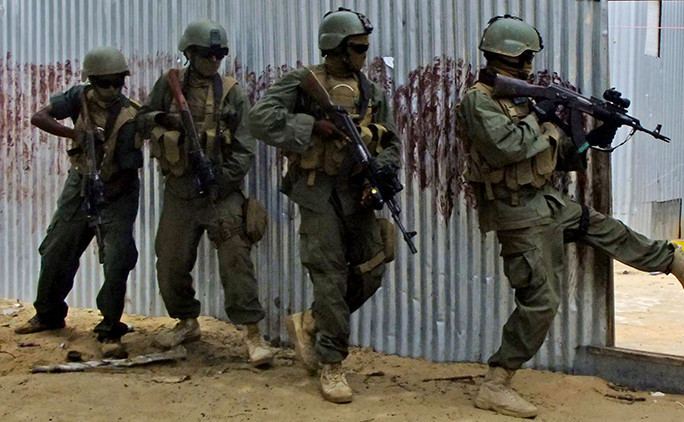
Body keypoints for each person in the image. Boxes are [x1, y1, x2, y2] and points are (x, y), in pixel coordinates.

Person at [457, 15, 684, 419]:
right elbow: (507, 148)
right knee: (541, 301)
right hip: (516, 212)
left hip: (543, 201)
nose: (530, 64)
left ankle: (679, 265)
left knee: (606, 228)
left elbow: (564, 155)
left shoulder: (520, 101)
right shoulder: (478, 101)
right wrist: (543, 115)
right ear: (508, 56)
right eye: (526, 57)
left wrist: (600, 131)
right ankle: (496, 384)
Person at [248, 8, 400, 403]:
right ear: (337, 47)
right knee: (330, 277)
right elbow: (259, 120)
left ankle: (312, 320)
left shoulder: (371, 92)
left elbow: (392, 141)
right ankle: (331, 363)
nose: (364, 54)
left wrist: (381, 174)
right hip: (318, 194)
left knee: (372, 269)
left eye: (365, 47)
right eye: (358, 47)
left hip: (358, 195)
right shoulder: (304, 82)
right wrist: (312, 126)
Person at [136, 19, 273, 366]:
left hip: (219, 193)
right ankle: (186, 321)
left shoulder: (231, 93)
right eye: (207, 54)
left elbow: (244, 147)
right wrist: (164, 120)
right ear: (190, 53)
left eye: (219, 55)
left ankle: (252, 333)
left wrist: (220, 181)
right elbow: (143, 119)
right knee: (170, 261)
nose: (214, 60)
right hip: (180, 191)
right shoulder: (168, 85)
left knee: (236, 259)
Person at [16, 46, 142, 359]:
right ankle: (48, 314)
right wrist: (75, 135)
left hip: (117, 189)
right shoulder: (79, 97)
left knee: (117, 257)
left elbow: (129, 171)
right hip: (80, 181)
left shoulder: (129, 116)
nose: (112, 89)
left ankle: (110, 328)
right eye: (105, 83)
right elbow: (39, 117)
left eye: (118, 82)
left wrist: (104, 200)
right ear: (92, 81)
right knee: (57, 247)